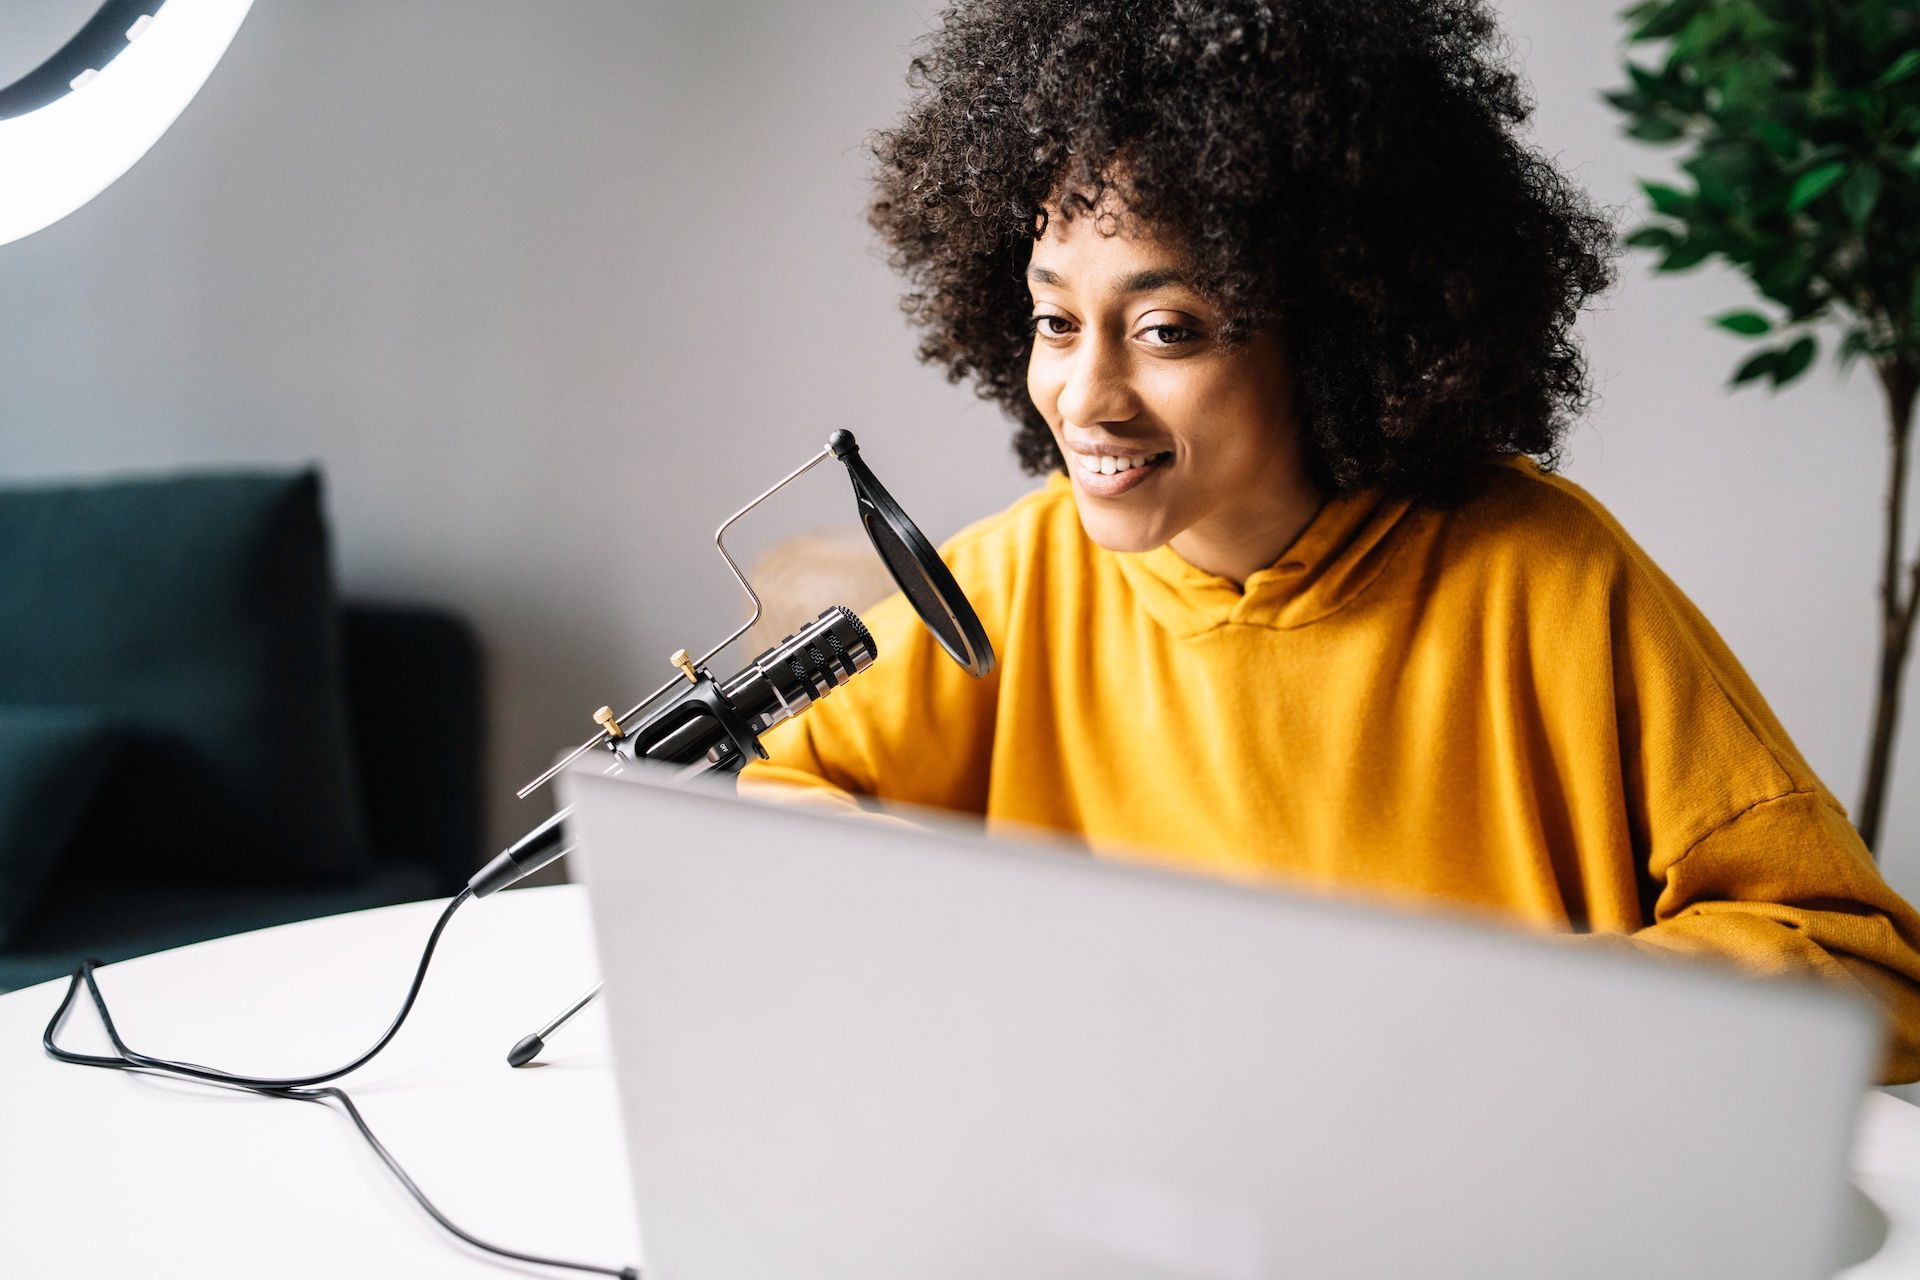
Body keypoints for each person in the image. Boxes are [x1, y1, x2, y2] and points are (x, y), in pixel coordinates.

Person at [739, 0, 1920, 1084]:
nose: (1085, 393)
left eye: (1167, 328)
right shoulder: (1018, 574)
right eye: (1055, 319)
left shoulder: (1546, 577)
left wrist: (1510, 1012)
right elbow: (769, 802)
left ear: (1337, 331)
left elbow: (1866, 972)